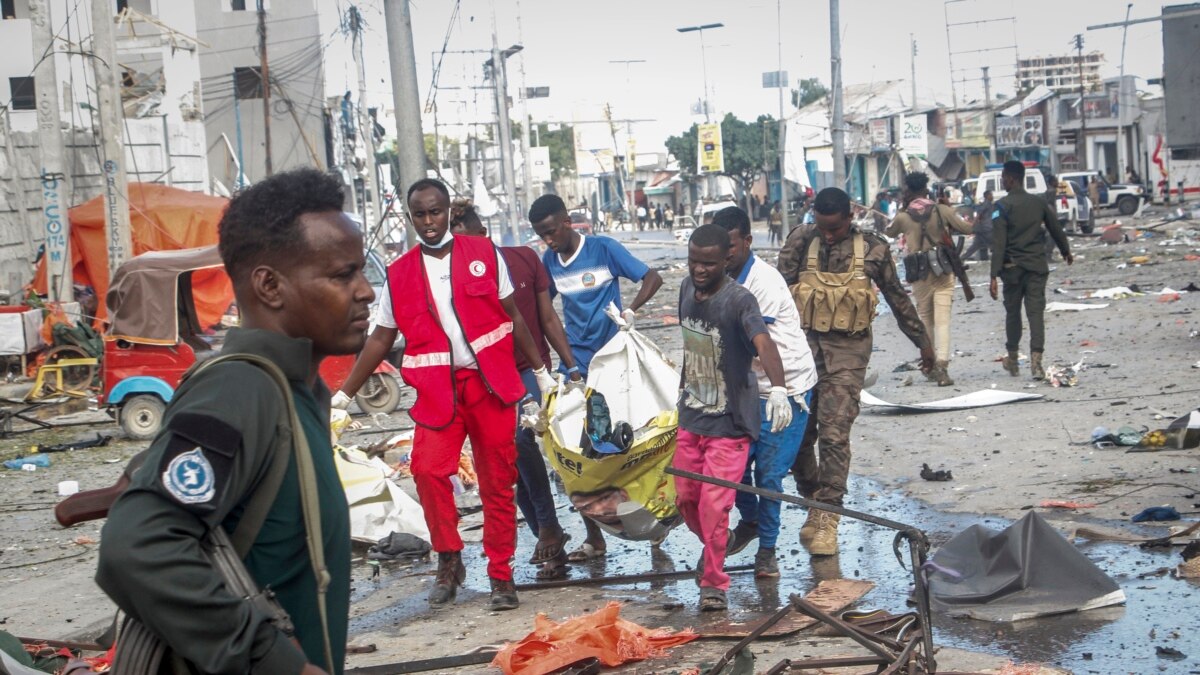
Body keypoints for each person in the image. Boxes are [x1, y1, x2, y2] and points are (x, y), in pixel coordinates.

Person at [96, 169, 371, 674]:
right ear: (269, 285)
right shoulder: (242, 391)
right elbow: (136, 547)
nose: (366, 291)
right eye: (342, 275)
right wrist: (272, 660)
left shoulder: (301, 392)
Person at [336, 178, 557, 611]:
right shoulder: (399, 274)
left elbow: (513, 315)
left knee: (497, 481)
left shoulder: (483, 254)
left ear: (447, 212)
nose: (428, 221)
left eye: (435, 212)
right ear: (410, 217)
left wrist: (541, 373)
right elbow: (381, 338)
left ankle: (500, 575)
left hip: (490, 385)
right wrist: (343, 396)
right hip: (438, 394)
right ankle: (449, 558)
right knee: (427, 471)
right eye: (419, 214)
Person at [778, 188, 934, 557]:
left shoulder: (874, 248)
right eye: (822, 226)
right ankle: (814, 498)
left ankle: (829, 517)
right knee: (799, 437)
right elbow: (775, 293)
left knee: (834, 434)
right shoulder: (801, 239)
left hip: (848, 353)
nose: (828, 235)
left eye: (834, 228)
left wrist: (922, 342)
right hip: (801, 352)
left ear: (850, 217)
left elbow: (896, 296)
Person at [448, 199, 582, 580]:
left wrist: (569, 365)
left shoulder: (523, 259)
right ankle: (547, 532)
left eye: (467, 242)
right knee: (504, 458)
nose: (463, 253)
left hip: (529, 370)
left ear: (483, 236)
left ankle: (549, 525)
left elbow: (547, 316)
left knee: (521, 440)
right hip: (486, 375)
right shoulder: (453, 280)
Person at [528, 193, 663, 562]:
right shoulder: (549, 262)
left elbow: (653, 276)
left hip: (616, 362)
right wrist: (562, 363)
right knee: (573, 455)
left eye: (552, 232)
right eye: (542, 235)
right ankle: (594, 538)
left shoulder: (604, 249)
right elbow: (546, 312)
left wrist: (630, 311)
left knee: (634, 444)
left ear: (567, 221)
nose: (549, 241)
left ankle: (654, 524)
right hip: (577, 363)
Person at [676, 223, 794, 611]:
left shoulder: (739, 300)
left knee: (714, 506)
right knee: (686, 501)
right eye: (694, 261)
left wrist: (779, 388)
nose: (699, 270)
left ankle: (714, 583)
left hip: (730, 425)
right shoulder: (683, 291)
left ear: (726, 259)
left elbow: (764, 341)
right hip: (692, 417)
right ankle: (715, 547)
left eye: (708, 263)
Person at [713, 207, 817, 578]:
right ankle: (753, 521)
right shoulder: (718, 278)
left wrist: (778, 389)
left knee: (770, 475)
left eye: (730, 247)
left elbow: (756, 343)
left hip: (784, 387)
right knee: (733, 469)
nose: (724, 256)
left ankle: (768, 550)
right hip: (745, 386)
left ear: (746, 242)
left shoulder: (763, 283)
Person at [886, 172, 973, 386]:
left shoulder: (904, 216)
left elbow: (889, 232)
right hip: (943, 270)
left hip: (919, 274)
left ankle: (930, 363)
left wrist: (901, 209)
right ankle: (942, 365)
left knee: (926, 320)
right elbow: (967, 228)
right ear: (926, 189)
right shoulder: (941, 210)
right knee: (943, 320)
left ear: (908, 191)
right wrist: (947, 210)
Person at [989, 160, 1073, 381]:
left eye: (1003, 177)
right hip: (1036, 267)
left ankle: (1014, 359)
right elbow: (1055, 227)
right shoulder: (1038, 203)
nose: (1002, 180)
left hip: (1012, 270)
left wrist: (993, 275)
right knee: (1035, 314)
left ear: (1011, 178)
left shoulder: (1002, 207)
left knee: (1013, 313)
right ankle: (1036, 363)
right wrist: (1066, 251)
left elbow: (999, 243)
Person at [964, 190, 994, 262]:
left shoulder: (989, 204)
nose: (992, 196)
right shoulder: (986, 204)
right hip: (987, 229)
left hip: (983, 229)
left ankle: (962, 258)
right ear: (987, 196)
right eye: (991, 195)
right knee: (995, 244)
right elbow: (979, 214)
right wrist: (973, 224)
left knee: (975, 246)